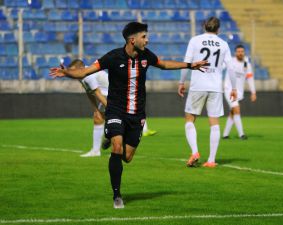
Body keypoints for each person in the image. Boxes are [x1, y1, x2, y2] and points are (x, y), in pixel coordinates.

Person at [50, 22, 207, 209]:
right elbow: (85, 71)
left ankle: (111, 141)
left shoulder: (146, 56)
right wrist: (66, 72)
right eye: (144, 37)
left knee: (128, 157)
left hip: (137, 114)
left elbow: (164, 64)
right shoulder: (113, 57)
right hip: (116, 110)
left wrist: (190, 65)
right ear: (132, 40)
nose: (147, 40)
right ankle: (117, 195)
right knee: (117, 147)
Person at [178, 17, 237, 168]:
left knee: (190, 119)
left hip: (198, 85)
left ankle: (195, 151)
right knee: (214, 123)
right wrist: (234, 88)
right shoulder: (223, 44)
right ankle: (211, 160)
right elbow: (230, 67)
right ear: (219, 29)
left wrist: (181, 82)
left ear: (204, 26)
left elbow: (187, 61)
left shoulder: (195, 40)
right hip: (215, 87)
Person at [67, 59, 111, 157]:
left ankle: (113, 141)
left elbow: (97, 93)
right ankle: (96, 150)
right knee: (98, 118)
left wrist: (111, 111)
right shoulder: (80, 75)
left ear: (81, 68)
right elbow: (89, 91)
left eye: (73, 71)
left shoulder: (88, 75)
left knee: (115, 120)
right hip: (107, 95)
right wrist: (95, 109)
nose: (72, 73)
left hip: (115, 94)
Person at [222, 44, 257, 140]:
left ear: (244, 52)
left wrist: (253, 92)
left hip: (239, 92)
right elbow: (220, 67)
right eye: (238, 51)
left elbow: (250, 78)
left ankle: (225, 134)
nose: (240, 53)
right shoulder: (230, 62)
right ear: (235, 53)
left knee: (233, 112)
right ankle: (241, 134)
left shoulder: (247, 64)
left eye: (242, 51)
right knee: (236, 109)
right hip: (229, 90)